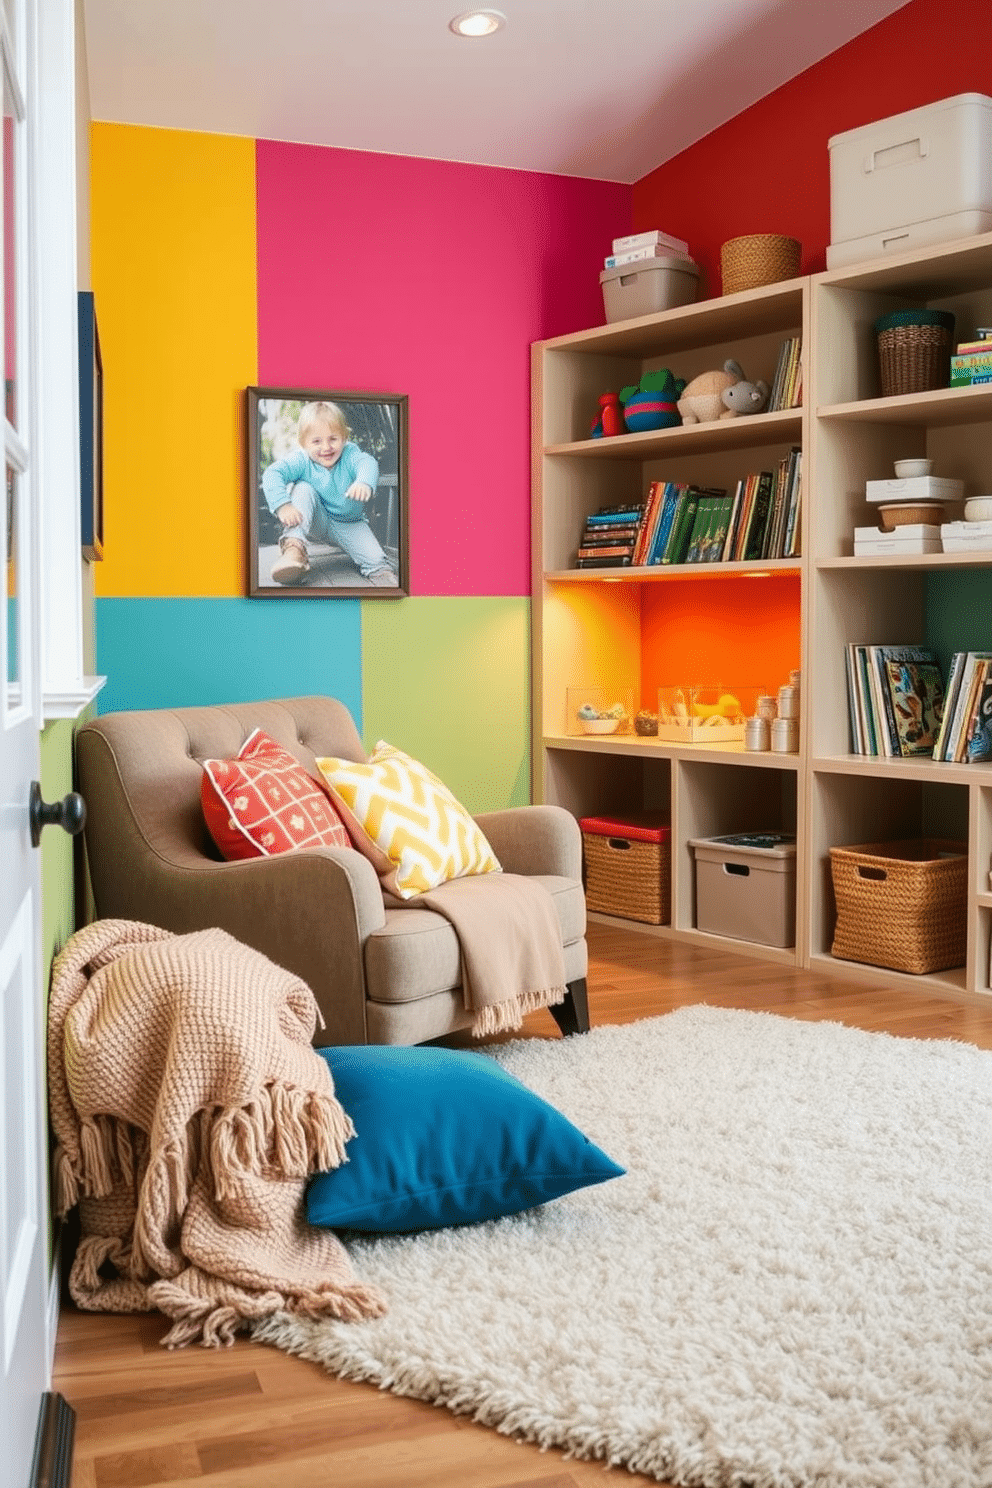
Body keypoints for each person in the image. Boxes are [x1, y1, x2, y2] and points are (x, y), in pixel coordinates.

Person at [261, 401, 397, 587]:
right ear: (303, 443)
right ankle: (294, 549)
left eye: (333, 439)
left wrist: (363, 481)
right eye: (316, 441)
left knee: (377, 563)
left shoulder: (350, 454)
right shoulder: (301, 459)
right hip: (316, 518)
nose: (326, 447)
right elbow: (272, 473)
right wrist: (283, 505)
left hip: (350, 523)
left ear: (344, 437)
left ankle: (383, 579)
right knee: (303, 487)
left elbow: (367, 462)